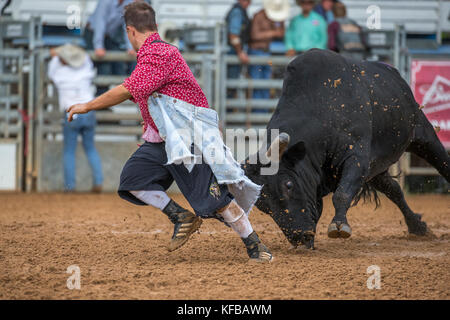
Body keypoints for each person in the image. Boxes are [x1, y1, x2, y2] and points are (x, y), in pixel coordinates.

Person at [67, 2, 273, 263]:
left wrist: (88, 105)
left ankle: (254, 244)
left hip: (186, 141)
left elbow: (128, 89)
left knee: (216, 202)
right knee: (133, 180)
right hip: (164, 140)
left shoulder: (158, 53)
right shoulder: (156, 55)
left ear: (130, 31)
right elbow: (151, 96)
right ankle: (180, 216)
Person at [48, 44, 103, 193]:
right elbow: (84, 58)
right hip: (88, 111)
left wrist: (58, 53)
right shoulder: (85, 69)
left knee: (69, 150)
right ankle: (98, 181)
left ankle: (70, 186)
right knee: (90, 147)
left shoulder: (58, 73)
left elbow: (53, 61)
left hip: (71, 113)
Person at [84, 0, 136, 94]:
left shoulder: (129, 2)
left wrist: (130, 46)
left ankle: (106, 99)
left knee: (119, 63)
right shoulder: (106, 1)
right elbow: (100, 22)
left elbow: (127, 25)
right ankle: (99, 100)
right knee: (102, 64)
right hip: (92, 33)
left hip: (108, 36)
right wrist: (98, 45)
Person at [249, 0, 288, 105]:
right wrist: (274, 32)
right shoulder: (259, 16)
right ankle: (257, 113)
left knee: (266, 84)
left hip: (266, 52)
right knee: (257, 84)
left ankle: (262, 112)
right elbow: (254, 35)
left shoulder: (276, 18)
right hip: (257, 51)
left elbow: (282, 33)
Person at [225, 0, 252, 80]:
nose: (248, 3)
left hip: (233, 50)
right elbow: (234, 35)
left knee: (233, 79)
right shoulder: (237, 12)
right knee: (232, 80)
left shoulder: (240, 11)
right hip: (233, 51)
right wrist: (240, 52)